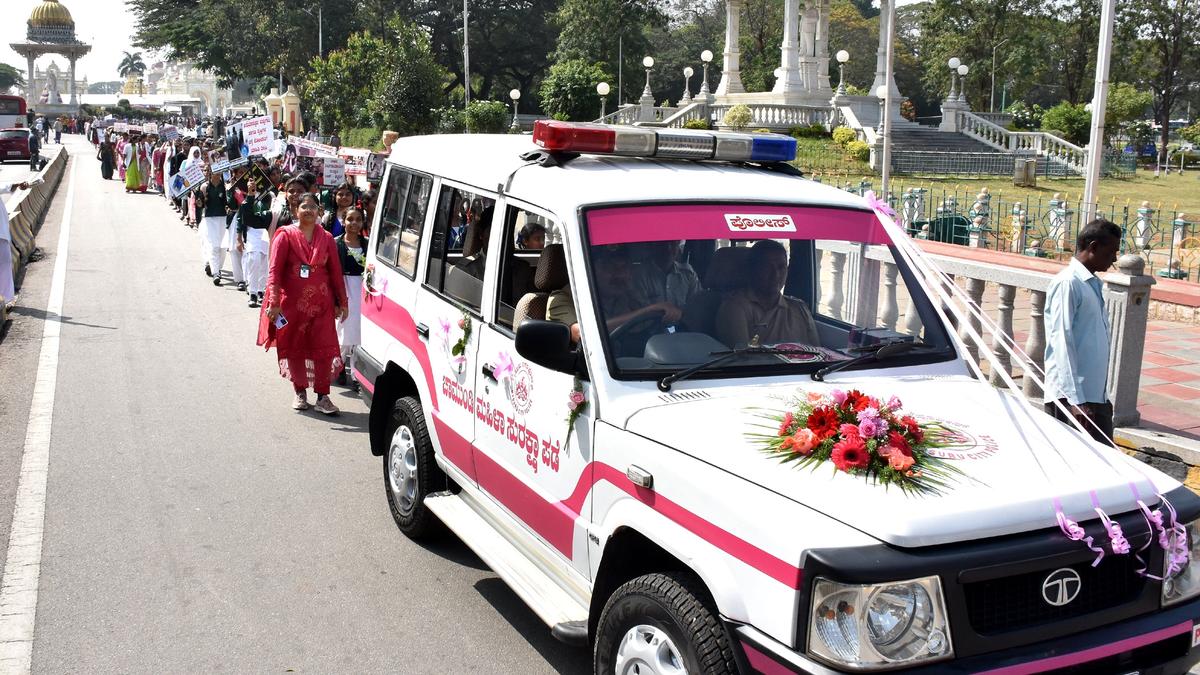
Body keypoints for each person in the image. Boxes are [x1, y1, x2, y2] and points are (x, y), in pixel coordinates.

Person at [259, 191, 348, 415]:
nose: (308, 210)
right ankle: (300, 392)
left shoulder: (326, 238)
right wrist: (274, 301)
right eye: (303, 206)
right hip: (291, 306)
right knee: (295, 347)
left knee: (323, 348)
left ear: (320, 211)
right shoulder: (285, 236)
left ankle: (323, 396)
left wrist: (342, 301)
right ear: (295, 210)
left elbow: (336, 273)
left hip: (322, 304)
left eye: (312, 206)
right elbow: (274, 272)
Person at [1043, 218, 1123, 443]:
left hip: (1095, 396)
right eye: (1111, 252)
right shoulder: (1068, 283)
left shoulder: (1091, 284)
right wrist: (1075, 400)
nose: (1114, 259)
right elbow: (1062, 341)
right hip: (1073, 399)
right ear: (1094, 247)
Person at [716, 240, 819, 348]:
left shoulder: (799, 308)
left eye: (781, 267)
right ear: (753, 270)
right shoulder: (735, 308)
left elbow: (819, 353)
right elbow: (742, 358)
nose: (776, 274)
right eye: (767, 267)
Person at [334, 207, 368, 387]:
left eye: (358, 219)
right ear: (343, 221)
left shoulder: (368, 244)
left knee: (358, 334)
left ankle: (356, 375)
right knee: (342, 331)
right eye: (350, 219)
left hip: (362, 293)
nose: (354, 223)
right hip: (343, 292)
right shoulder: (336, 243)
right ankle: (338, 366)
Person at [632, 240, 700, 317]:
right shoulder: (639, 275)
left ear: (678, 246)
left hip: (684, 327)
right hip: (651, 328)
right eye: (662, 244)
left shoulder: (688, 274)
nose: (668, 248)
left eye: (673, 243)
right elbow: (640, 314)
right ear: (653, 246)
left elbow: (696, 308)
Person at [1, 181, 31, 311]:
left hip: (1, 233)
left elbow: (5, 187)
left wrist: (18, 185)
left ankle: (7, 299)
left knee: (6, 264)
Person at [198, 169, 230, 284]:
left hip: (223, 218)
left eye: (219, 172)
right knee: (213, 245)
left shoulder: (225, 187)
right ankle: (216, 272)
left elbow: (229, 203)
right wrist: (200, 201)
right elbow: (200, 204)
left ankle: (217, 267)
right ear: (211, 173)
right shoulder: (204, 187)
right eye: (215, 172)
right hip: (210, 219)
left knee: (222, 246)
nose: (217, 174)